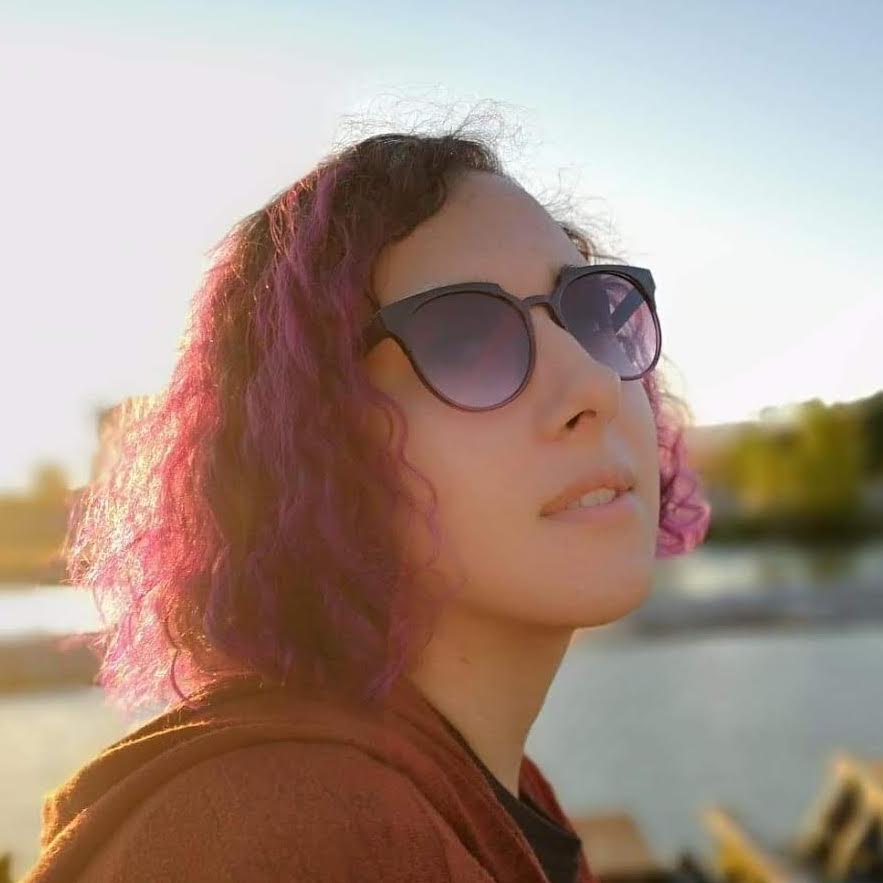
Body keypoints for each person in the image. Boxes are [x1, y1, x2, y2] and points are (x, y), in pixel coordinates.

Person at [24, 109, 710, 883]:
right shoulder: (296, 833)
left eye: (593, 312)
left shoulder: (488, 796)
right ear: (309, 441)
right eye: (466, 341)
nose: (593, 383)